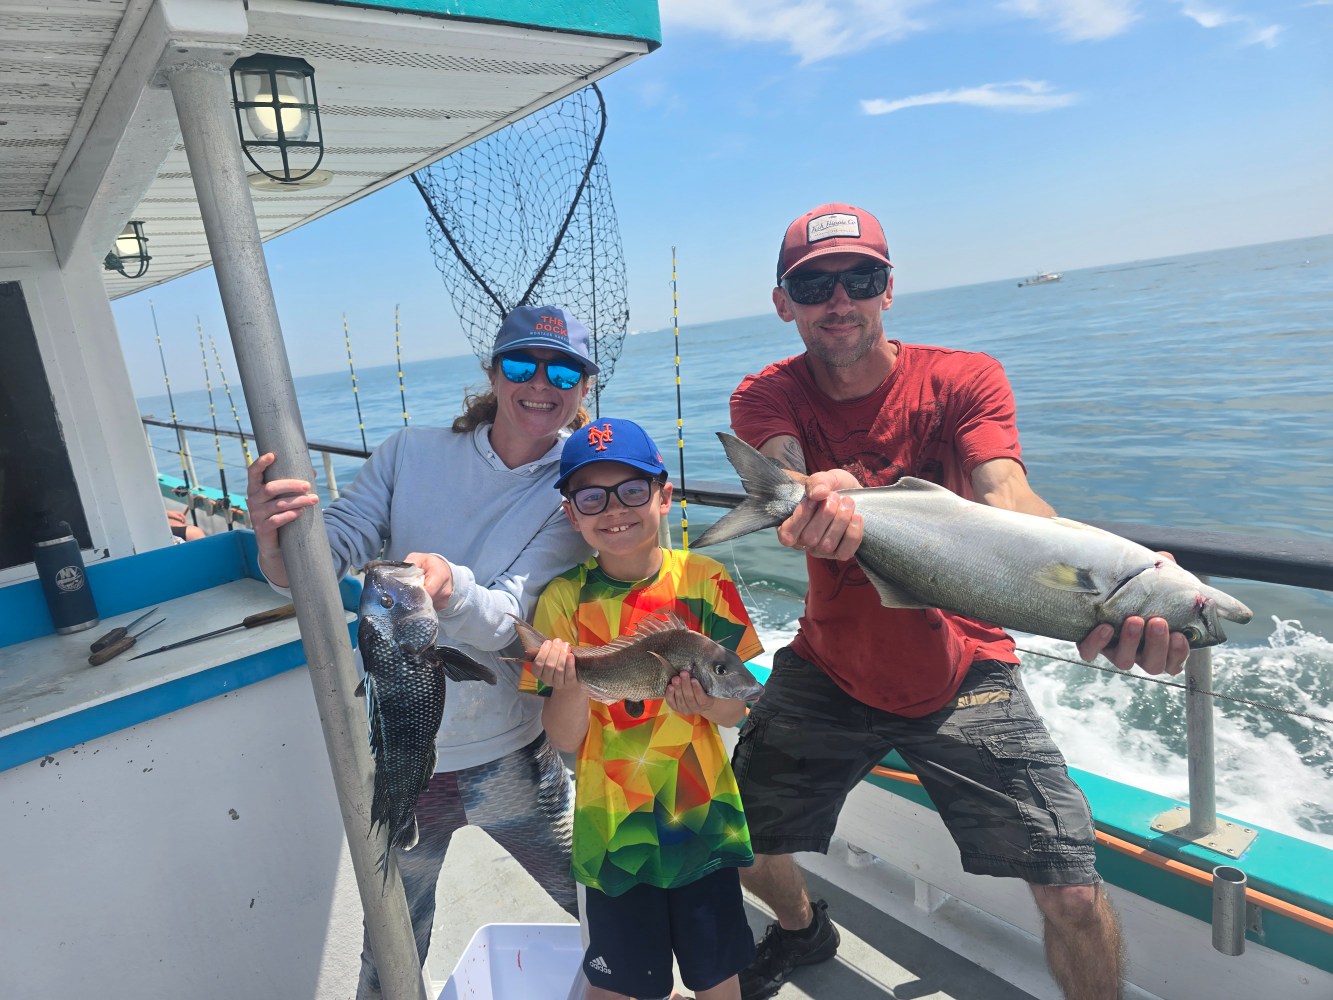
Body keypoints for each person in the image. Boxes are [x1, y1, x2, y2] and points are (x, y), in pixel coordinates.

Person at [727, 203, 1193, 1000]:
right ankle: (804, 930)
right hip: (830, 665)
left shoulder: (962, 378)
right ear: (784, 303)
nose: (838, 300)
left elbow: (1005, 493)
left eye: (859, 279)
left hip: (964, 669)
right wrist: (812, 496)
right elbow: (783, 469)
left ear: (887, 289)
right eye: (814, 285)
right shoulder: (765, 392)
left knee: (1073, 892)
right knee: (728, 833)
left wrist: (1115, 585)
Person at [245, 304, 599, 998]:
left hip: (509, 754)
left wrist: (450, 588)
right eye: (521, 364)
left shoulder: (572, 490)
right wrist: (275, 536)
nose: (540, 382)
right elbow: (326, 551)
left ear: (584, 387)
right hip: (405, 760)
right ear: (492, 373)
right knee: (394, 943)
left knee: (600, 902)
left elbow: (509, 621)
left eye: (563, 369)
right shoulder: (410, 452)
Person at [520, 417, 764, 1000]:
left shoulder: (704, 580)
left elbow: (739, 709)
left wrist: (707, 704)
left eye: (632, 490)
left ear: (664, 495)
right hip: (613, 830)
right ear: (570, 513)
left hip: (703, 820)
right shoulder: (562, 600)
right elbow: (563, 737)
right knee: (618, 987)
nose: (614, 510)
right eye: (591, 497)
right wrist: (573, 680)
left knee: (717, 979)